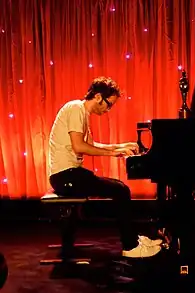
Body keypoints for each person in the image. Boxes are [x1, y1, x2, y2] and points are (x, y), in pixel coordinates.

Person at [48, 76, 162, 258]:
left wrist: (121, 146)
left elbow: (93, 145)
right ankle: (130, 246)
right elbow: (79, 147)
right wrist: (113, 153)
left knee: (120, 188)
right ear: (99, 96)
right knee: (120, 190)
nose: (109, 109)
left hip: (70, 175)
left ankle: (132, 239)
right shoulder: (76, 108)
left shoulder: (82, 113)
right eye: (109, 104)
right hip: (65, 177)